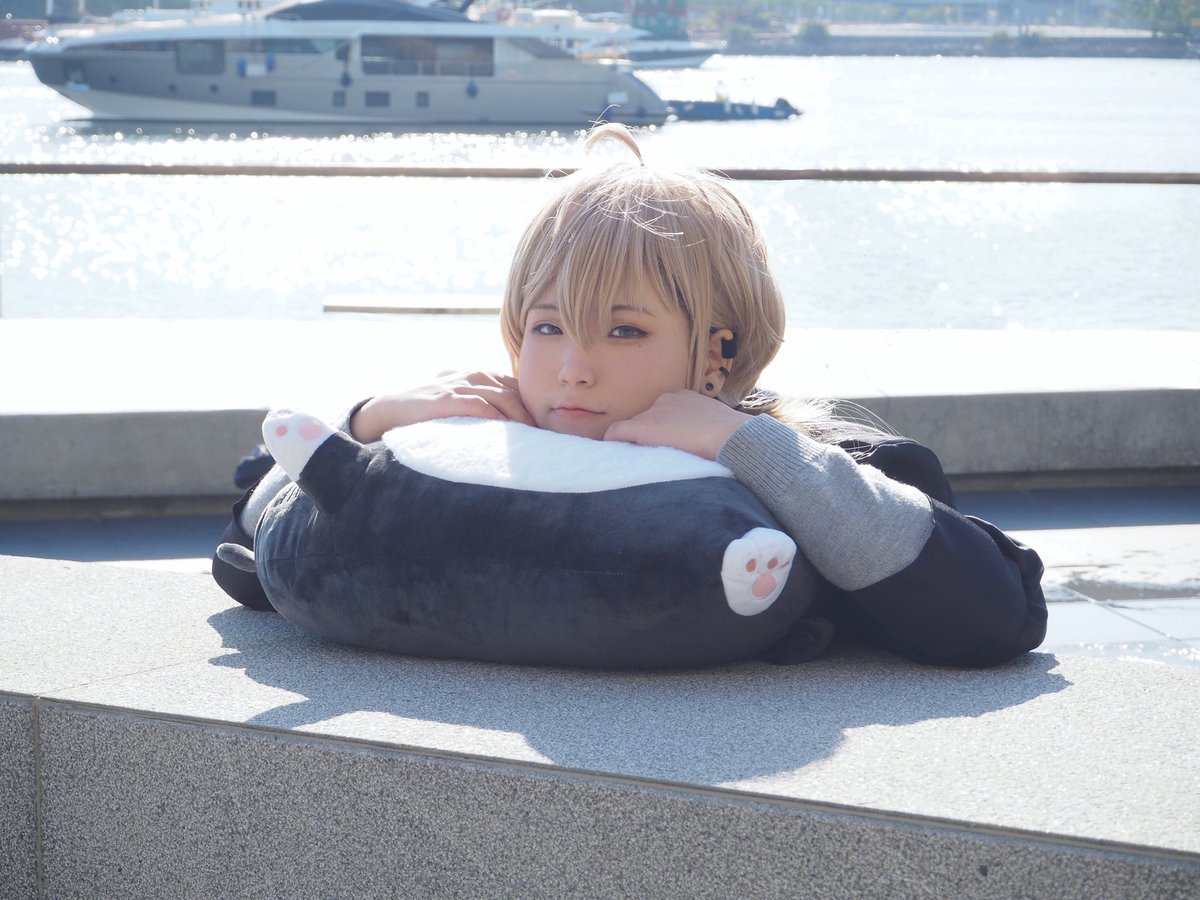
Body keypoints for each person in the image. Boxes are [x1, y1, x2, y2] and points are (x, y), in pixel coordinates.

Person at [213, 123, 1046, 668]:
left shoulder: (821, 464)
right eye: (547, 327)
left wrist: (751, 449)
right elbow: (251, 529)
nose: (573, 369)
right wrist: (368, 424)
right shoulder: (470, 437)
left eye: (624, 330)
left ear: (717, 350)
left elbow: (993, 615)